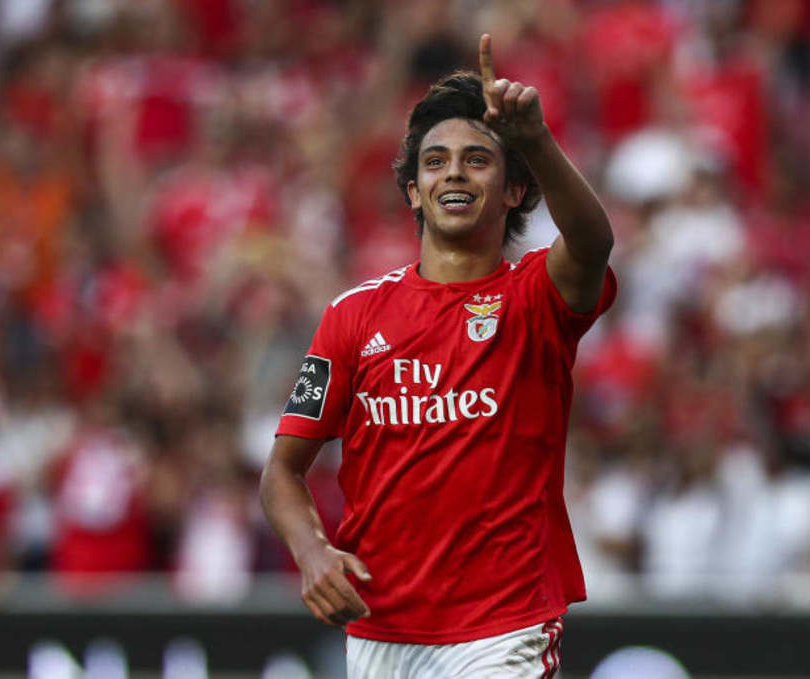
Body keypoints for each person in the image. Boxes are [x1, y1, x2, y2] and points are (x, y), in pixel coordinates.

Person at [260, 34, 616, 677]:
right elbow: (282, 472)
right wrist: (312, 553)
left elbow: (593, 244)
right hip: (380, 628)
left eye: (477, 160)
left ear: (513, 191)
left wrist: (535, 140)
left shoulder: (535, 297)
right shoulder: (351, 316)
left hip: (502, 628)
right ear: (413, 192)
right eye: (435, 161)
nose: (453, 173)